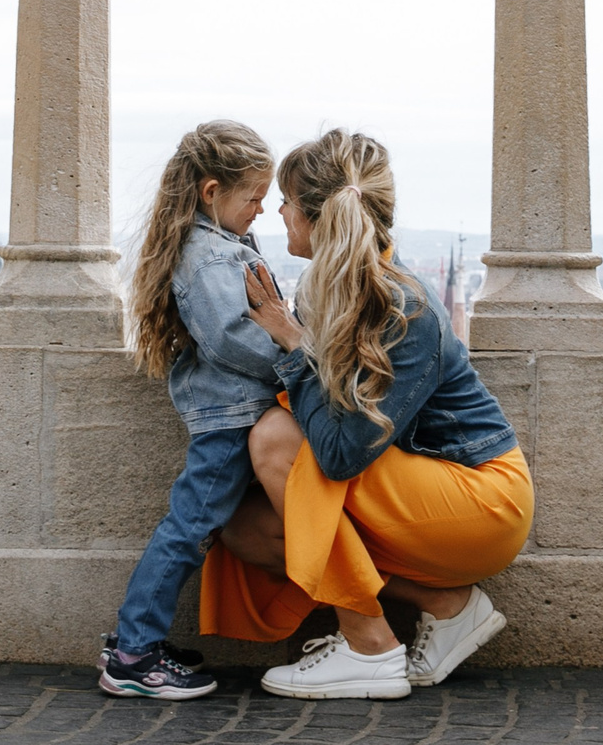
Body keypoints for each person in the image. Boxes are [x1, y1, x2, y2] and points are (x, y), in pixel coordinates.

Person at [202, 128, 533, 699]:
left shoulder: (403, 306)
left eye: (285, 200)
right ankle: (447, 607)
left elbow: (337, 454)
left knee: (276, 440)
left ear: (314, 216)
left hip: (482, 500)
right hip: (418, 489)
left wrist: (289, 340)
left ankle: (368, 646)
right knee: (248, 531)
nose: (276, 210)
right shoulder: (324, 289)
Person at [96, 120, 289, 699]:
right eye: (253, 196)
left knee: (191, 527)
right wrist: (298, 361)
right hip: (231, 417)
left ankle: (135, 641)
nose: (261, 209)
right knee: (188, 529)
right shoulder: (208, 259)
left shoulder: (214, 246)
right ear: (212, 192)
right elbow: (232, 339)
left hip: (232, 412)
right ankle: (133, 654)